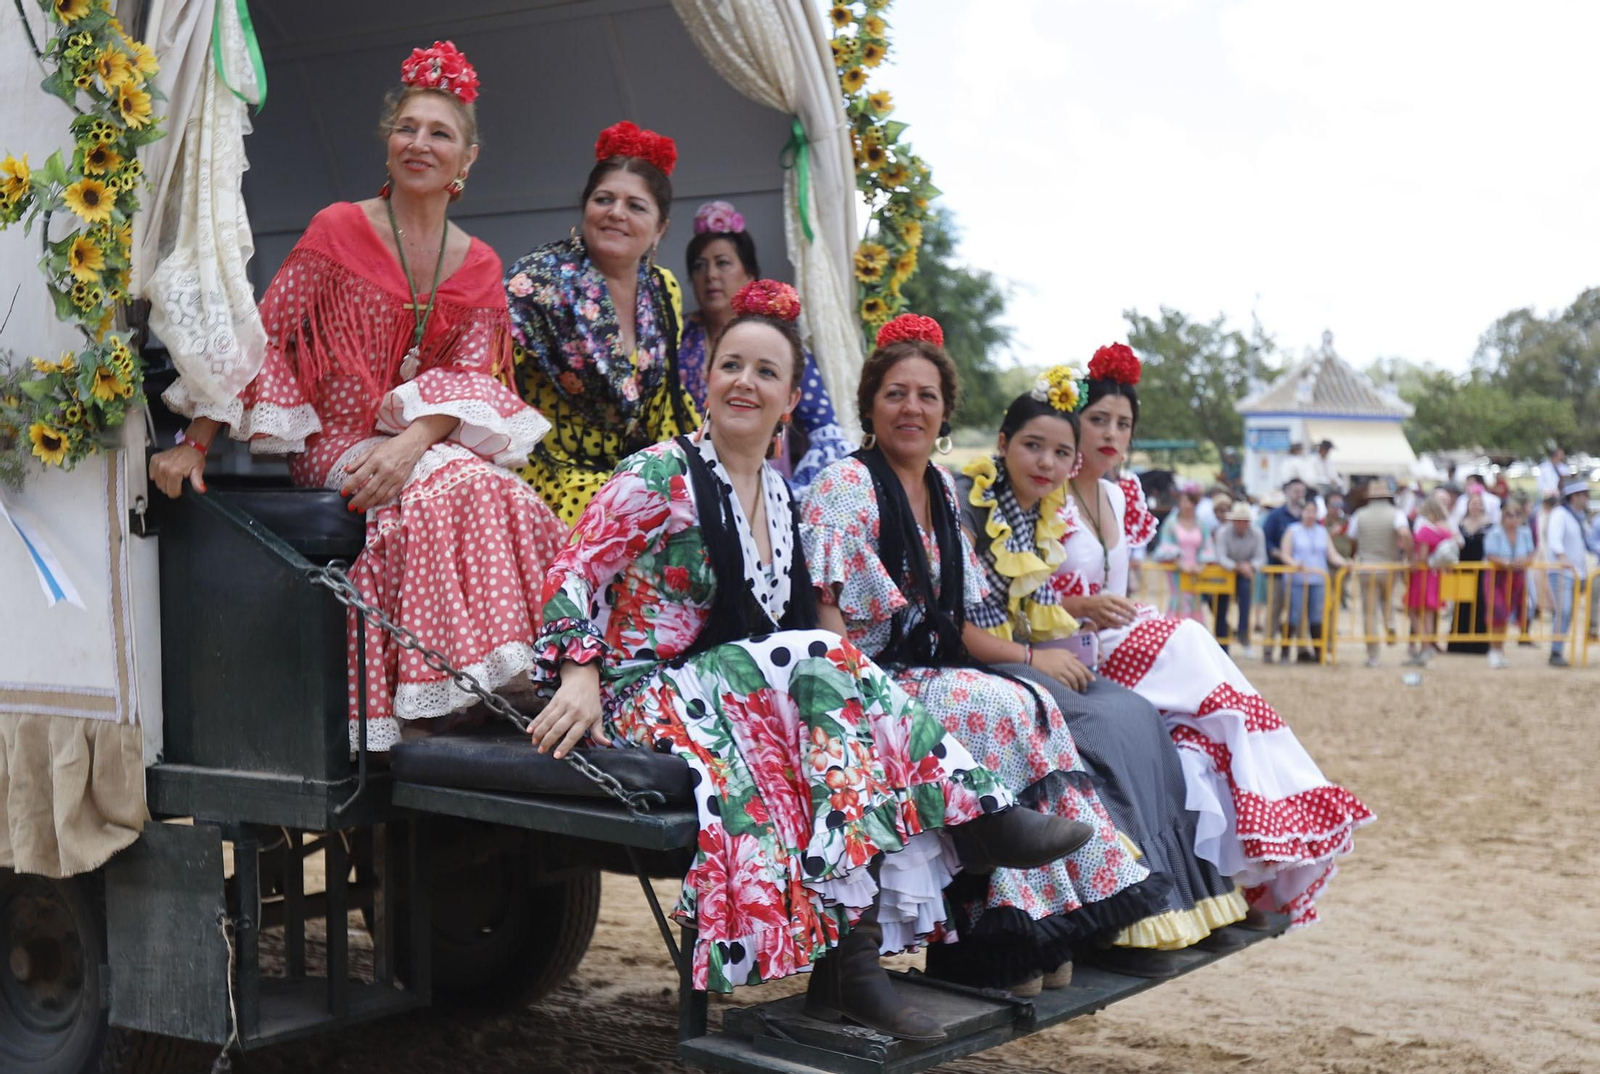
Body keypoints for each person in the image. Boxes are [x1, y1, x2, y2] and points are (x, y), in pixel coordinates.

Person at [529, 281, 1089, 1036]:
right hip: (646, 698)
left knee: (841, 739)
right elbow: (570, 572)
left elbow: (788, 630)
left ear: (791, 398)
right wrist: (578, 674)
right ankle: (976, 822)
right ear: (708, 378)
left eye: (766, 373)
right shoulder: (660, 473)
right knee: (825, 660)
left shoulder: (784, 500)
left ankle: (852, 968)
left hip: (737, 698)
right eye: (731, 365)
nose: (744, 383)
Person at [150, 43, 567, 751]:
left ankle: (524, 670)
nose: (419, 143)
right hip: (337, 448)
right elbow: (264, 337)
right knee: (453, 483)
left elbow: (473, 383)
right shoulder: (336, 228)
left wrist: (409, 443)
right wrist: (195, 443)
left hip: (423, 447)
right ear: (387, 140)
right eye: (407, 127)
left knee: (509, 493)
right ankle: (457, 683)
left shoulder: (483, 263)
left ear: (467, 159)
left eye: (439, 133)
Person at [800, 317, 1162, 996]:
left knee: (1029, 700)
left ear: (944, 413)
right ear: (871, 403)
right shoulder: (846, 485)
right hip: (864, 675)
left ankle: (1040, 926)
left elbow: (955, 610)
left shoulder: (937, 487)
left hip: (924, 666)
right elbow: (827, 616)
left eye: (927, 396)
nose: (912, 408)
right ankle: (1007, 932)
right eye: (897, 393)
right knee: (996, 701)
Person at [1055, 343, 1372, 929]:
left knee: (1205, 708)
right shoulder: (1048, 492)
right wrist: (1082, 605)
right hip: (1064, 643)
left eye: (1122, 423)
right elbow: (1019, 594)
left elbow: (1121, 583)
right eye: (1097, 419)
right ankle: (1280, 810)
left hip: (1117, 636)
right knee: (1195, 645)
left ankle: (1269, 829)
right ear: (1073, 422)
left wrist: (1113, 608)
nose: (1110, 433)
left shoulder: (1121, 496)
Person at [956, 377, 1252, 965]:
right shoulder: (971, 500)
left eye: (1060, 453)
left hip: (1030, 650)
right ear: (1003, 442)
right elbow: (960, 618)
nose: (1047, 462)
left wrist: (1047, 639)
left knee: (1139, 714)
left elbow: (1028, 607)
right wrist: (1038, 654)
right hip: (978, 661)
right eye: (1033, 446)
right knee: (1099, 727)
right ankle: (1089, 914)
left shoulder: (1040, 511)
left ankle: (1174, 898)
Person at [505, 120, 700, 524]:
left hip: (631, 475)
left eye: (636, 206)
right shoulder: (535, 281)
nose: (616, 213)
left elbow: (667, 405)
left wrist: (703, 466)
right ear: (585, 208)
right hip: (547, 474)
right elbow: (492, 383)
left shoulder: (663, 288)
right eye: (604, 199)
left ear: (660, 229)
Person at [678, 201, 853, 498]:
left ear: (749, 274)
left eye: (723, 263)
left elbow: (827, 434)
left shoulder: (778, 344)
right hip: (688, 487)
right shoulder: (677, 339)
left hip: (762, 489)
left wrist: (790, 494)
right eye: (700, 265)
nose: (710, 275)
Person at [1347, 481, 1412, 668]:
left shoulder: (1359, 515)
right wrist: (1408, 556)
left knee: (1369, 612)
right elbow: (1405, 534)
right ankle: (1390, 622)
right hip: (1390, 564)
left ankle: (1373, 655)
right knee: (1388, 599)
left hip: (1367, 566)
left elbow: (1352, 538)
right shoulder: (1396, 514)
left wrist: (1353, 555)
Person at [1279, 500, 1348, 663]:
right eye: (1307, 511)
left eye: (1313, 511)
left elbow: (1332, 554)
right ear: (1302, 513)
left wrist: (1345, 562)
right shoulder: (1293, 530)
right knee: (1293, 616)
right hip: (1297, 579)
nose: (1310, 515)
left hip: (1318, 579)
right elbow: (1285, 554)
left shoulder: (1322, 532)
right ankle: (1285, 652)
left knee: (1317, 616)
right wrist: (1294, 564)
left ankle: (1319, 653)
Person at [1546, 479, 1593, 667]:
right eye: (1585, 495)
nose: (1588, 499)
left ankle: (1559, 649)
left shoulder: (1579, 518)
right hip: (1561, 572)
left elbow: (1588, 544)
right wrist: (1562, 557)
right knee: (1563, 611)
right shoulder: (1560, 514)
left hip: (1576, 573)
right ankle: (1556, 651)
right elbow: (1554, 538)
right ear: (1574, 496)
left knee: (1568, 612)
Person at [1151, 483, 1215, 622]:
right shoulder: (1171, 523)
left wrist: (1201, 565)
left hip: (1196, 571)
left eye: (1190, 502)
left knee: (1194, 602)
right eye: (1184, 501)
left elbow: (1207, 547)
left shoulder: (1201, 524)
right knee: (1179, 601)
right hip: (1177, 570)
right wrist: (1179, 563)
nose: (1187, 505)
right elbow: (1164, 546)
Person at [1260, 478, 1307, 663]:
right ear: (1287, 492)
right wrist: (1280, 554)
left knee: (1296, 613)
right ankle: (1268, 649)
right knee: (1274, 611)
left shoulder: (1305, 516)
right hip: (1277, 572)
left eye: (1301, 491)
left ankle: (1291, 649)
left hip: (1299, 575)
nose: (1299, 494)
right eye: (1296, 490)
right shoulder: (1276, 516)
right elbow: (1267, 540)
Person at [1483, 501, 1534, 668]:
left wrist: (1521, 563)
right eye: (1509, 515)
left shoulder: (1525, 533)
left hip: (1516, 578)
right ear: (1503, 516)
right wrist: (1507, 563)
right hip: (1496, 578)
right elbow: (1490, 554)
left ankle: (1500, 649)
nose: (1513, 519)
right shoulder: (1495, 533)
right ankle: (1493, 649)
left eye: (1517, 515)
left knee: (1505, 614)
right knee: (1496, 612)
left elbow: (1531, 553)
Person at [1405, 498, 1455, 666]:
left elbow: (1422, 558)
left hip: (1423, 576)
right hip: (1435, 576)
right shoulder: (1443, 531)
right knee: (1428, 615)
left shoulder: (1425, 531)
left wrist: (1412, 562)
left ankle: (1425, 648)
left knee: (1414, 612)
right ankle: (1426, 648)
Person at [1213, 502, 1266, 655]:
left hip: (1245, 574)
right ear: (1233, 521)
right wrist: (1238, 566)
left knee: (1245, 601)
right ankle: (1221, 645)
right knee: (1221, 607)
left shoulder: (1257, 533)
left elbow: (1261, 557)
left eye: (1245, 521)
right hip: (1225, 573)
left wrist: (1250, 566)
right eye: (1239, 520)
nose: (1242, 524)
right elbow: (1221, 556)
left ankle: (1244, 635)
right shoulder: (1223, 533)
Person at [1447, 492, 1493, 654]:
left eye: (1478, 503)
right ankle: (1459, 643)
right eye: (1473, 503)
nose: (1476, 506)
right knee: (1462, 604)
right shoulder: (1460, 524)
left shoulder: (1489, 525)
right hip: (1463, 569)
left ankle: (1479, 644)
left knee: (1480, 603)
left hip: (1481, 569)